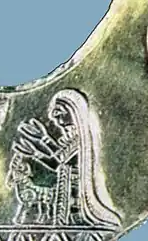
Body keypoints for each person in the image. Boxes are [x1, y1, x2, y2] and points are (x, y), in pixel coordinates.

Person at [14, 89, 121, 229]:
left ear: (74, 112)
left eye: (60, 114)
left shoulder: (79, 140)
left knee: (71, 219)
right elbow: (60, 155)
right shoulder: (75, 139)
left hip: (74, 192)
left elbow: (57, 162)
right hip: (65, 188)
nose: (58, 122)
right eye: (56, 116)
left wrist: (35, 152)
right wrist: (43, 139)